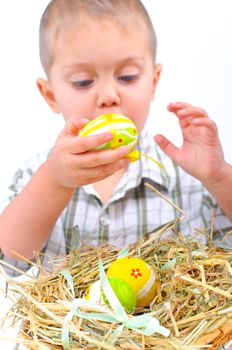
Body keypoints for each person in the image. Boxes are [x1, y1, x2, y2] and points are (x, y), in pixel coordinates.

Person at [0, 0, 231, 275]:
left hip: (171, 318)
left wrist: (218, 177)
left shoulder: (184, 174)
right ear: (51, 95)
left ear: (153, 82)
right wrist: (54, 180)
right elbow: (10, 255)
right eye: (83, 82)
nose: (109, 96)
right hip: (71, 320)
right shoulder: (38, 174)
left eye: (127, 77)